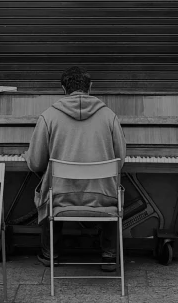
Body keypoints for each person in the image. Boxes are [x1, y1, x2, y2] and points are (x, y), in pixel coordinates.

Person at [24, 66, 126, 271]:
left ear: (63, 88)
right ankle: (109, 254)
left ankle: (50, 254)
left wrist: (27, 156)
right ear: (90, 87)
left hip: (62, 197)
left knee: (51, 190)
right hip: (101, 197)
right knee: (112, 188)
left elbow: (36, 163)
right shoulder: (109, 115)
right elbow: (120, 161)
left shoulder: (49, 116)